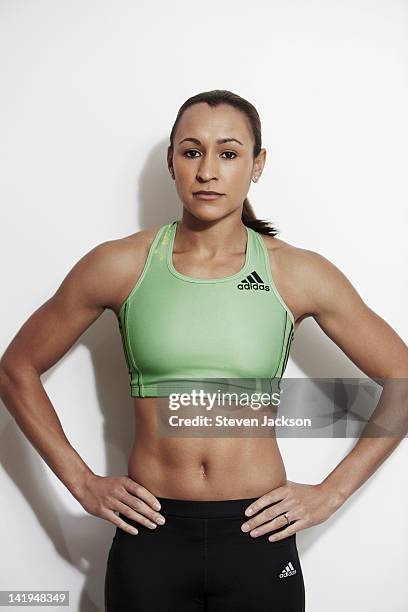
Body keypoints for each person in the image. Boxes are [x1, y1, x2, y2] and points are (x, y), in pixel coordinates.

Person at [1, 89, 407, 612]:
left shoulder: (297, 272)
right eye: (192, 152)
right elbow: (17, 369)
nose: (208, 170)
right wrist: (81, 482)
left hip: (258, 537)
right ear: (172, 162)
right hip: (151, 533)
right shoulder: (121, 264)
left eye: (229, 152)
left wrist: (332, 491)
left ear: (257, 165)